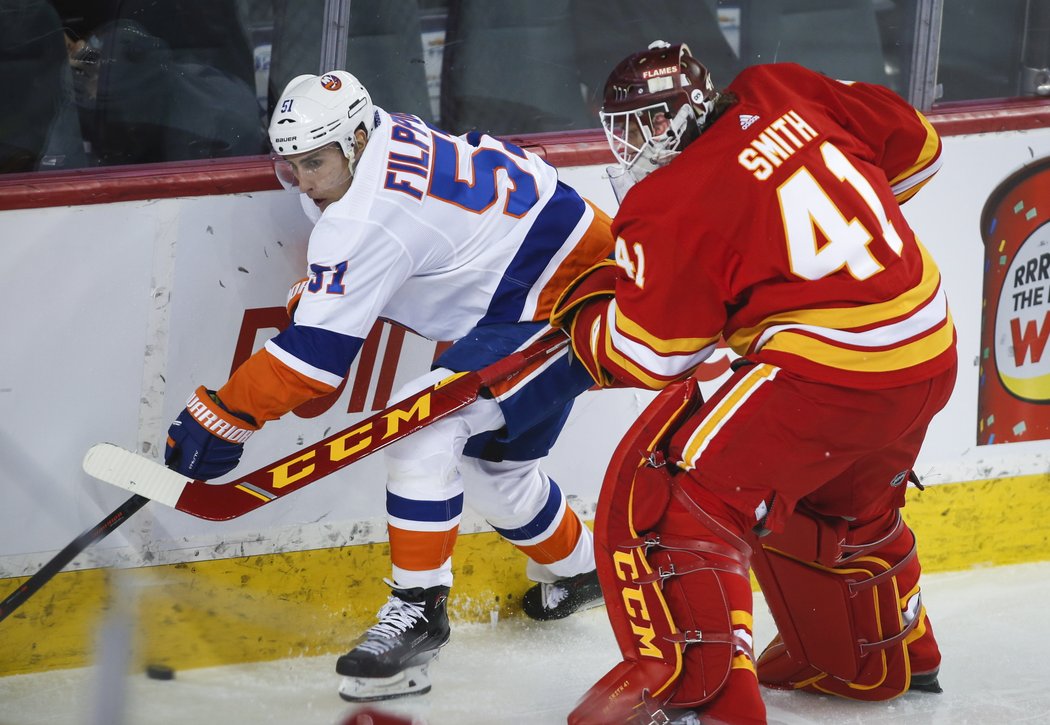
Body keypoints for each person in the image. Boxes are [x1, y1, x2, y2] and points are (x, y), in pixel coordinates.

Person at [162, 70, 612, 701]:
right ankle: (583, 569)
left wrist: (224, 414)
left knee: (420, 422)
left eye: (315, 163)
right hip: (558, 270)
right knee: (496, 474)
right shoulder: (381, 138)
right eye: (289, 167)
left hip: (562, 298)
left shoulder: (367, 216)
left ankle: (418, 612)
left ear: (354, 140)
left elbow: (312, 365)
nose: (305, 183)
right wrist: (333, 296)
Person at [550, 41, 957, 724]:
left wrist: (582, 313)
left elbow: (652, 354)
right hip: (928, 345)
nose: (629, 146)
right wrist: (815, 254)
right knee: (845, 506)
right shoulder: (783, 85)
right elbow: (921, 150)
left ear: (670, 120)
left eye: (639, 125)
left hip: (827, 372)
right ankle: (891, 653)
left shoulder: (669, 197)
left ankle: (712, 702)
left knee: (684, 501)